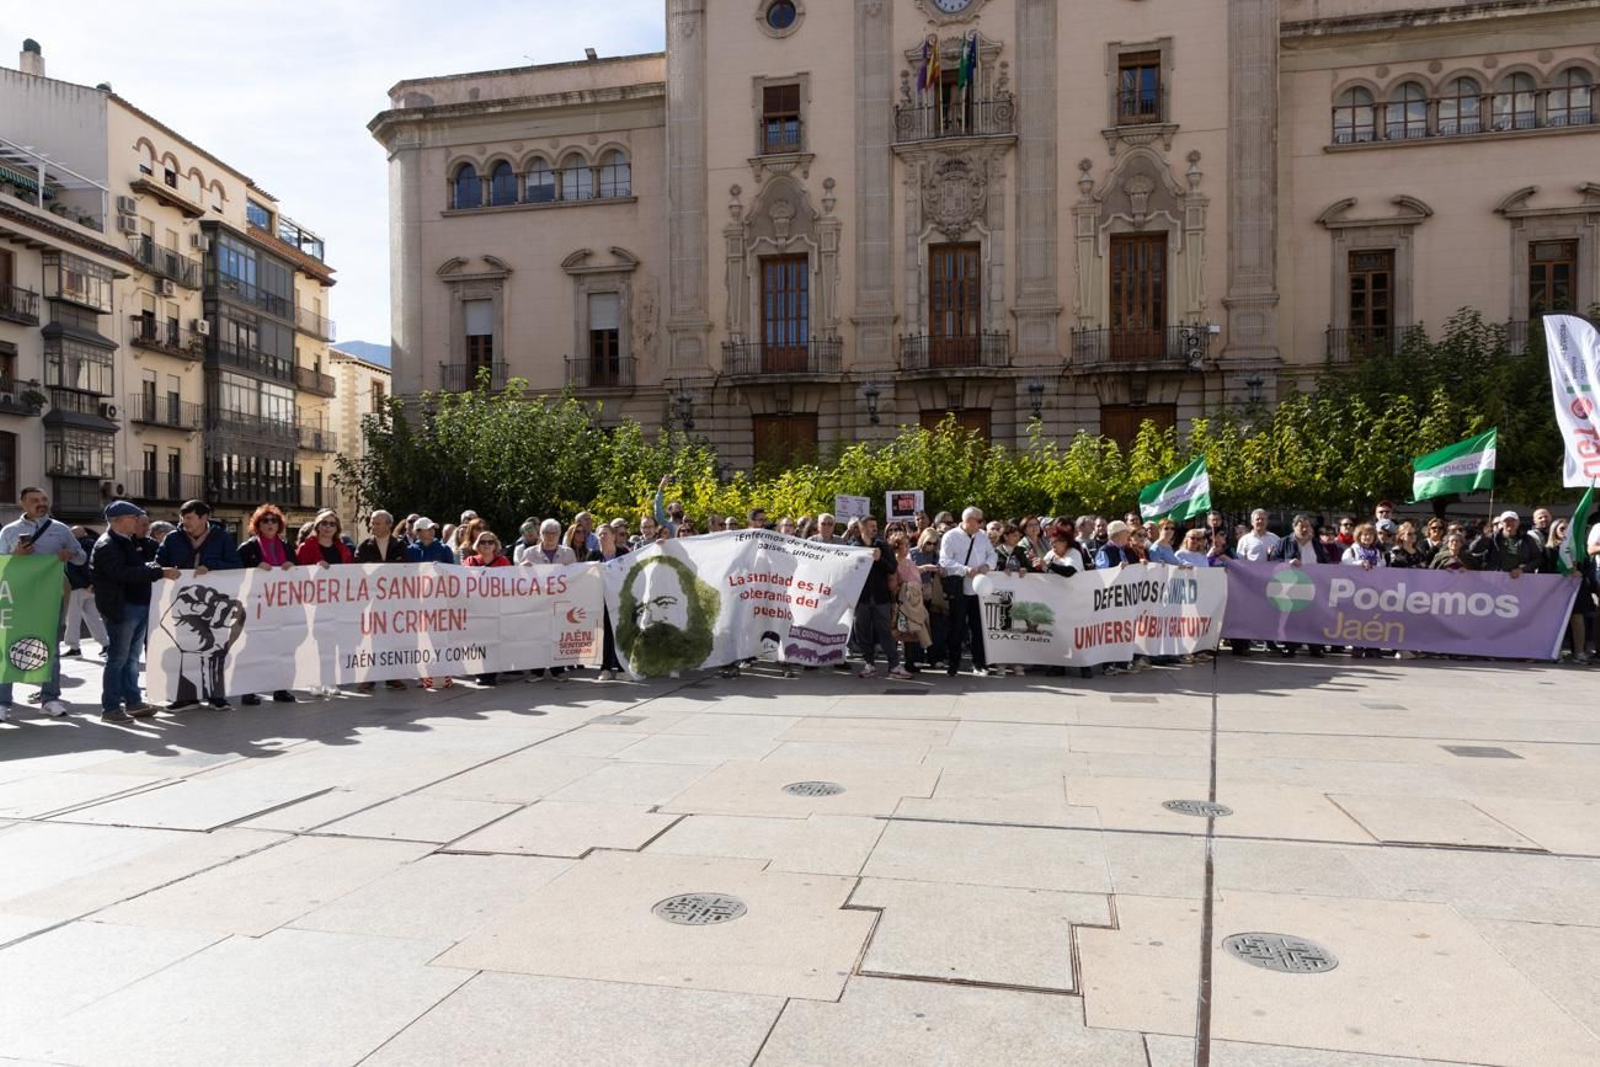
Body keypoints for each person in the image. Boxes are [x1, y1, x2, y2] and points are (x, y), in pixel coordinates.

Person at [0, 486, 86, 720]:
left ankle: (50, 698)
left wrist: (70, 554)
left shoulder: (60, 530)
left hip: (50, 597)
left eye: (44, 499)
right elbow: (1, 565)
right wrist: (16, 555)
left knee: (51, 649)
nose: (41, 503)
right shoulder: (9, 531)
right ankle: (3, 702)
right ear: (23, 504)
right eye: (35, 500)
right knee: (8, 646)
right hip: (17, 598)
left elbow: (81, 557)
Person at [91, 501, 179, 723]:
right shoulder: (107, 545)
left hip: (136, 605)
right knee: (118, 659)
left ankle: (133, 702)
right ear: (118, 521)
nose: (138, 521)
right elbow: (122, 574)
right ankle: (111, 708)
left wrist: (151, 569)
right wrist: (158, 572)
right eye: (133, 517)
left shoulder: (125, 541)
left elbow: (135, 567)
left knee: (130, 658)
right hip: (122, 607)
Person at [237, 504, 298, 706]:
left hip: (282, 607)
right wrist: (253, 568)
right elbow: (235, 574)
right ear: (258, 524)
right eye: (265, 520)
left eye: (274, 520)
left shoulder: (287, 547)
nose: (270, 524)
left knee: (281, 647)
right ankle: (248, 690)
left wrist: (292, 566)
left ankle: (280, 688)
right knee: (253, 649)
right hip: (256, 607)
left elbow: (300, 574)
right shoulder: (248, 548)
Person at [296, 510, 354, 697]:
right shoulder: (307, 547)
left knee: (332, 643)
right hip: (314, 603)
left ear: (337, 528)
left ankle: (330, 680)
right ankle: (315, 680)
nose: (328, 527)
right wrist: (315, 569)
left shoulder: (342, 548)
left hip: (337, 602)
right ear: (317, 526)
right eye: (324, 523)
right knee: (316, 643)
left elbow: (350, 571)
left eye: (332, 524)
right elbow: (298, 573)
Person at [355, 510, 409, 693]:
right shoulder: (364, 546)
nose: (373, 526)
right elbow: (357, 571)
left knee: (393, 638)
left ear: (388, 525)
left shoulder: (400, 546)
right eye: (372, 523)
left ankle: (392, 677)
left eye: (378, 523)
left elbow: (406, 569)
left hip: (395, 601)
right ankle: (370, 677)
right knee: (372, 640)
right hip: (371, 602)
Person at [940, 507, 998, 677]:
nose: (982, 524)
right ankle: (954, 663)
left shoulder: (981, 536)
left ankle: (979, 663)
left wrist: (987, 565)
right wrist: (965, 569)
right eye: (979, 521)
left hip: (979, 589)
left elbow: (992, 554)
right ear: (969, 520)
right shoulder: (950, 536)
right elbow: (944, 560)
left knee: (978, 628)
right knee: (956, 627)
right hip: (960, 588)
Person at [1271, 514, 1336, 658]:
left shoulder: (1316, 544)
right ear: (1294, 527)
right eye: (1302, 526)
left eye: (1308, 526)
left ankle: (1315, 647)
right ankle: (1290, 647)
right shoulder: (1284, 542)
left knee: (1314, 617)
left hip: (1313, 585)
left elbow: (1325, 562)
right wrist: (1288, 562)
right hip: (1291, 585)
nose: (1305, 529)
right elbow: (1273, 561)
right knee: (1292, 618)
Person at [853, 516, 902, 680]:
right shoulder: (852, 547)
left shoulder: (882, 545)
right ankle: (869, 664)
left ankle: (894, 665)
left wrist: (880, 558)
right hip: (861, 598)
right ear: (862, 528)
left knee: (885, 632)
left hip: (881, 598)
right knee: (862, 632)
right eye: (871, 526)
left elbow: (892, 568)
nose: (875, 528)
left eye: (875, 525)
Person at [462, 531, 511, 686]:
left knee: (494, 641)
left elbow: (511, 582)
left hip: (497, 608)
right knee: (477, 641)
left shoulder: (503, 561)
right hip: (476, 608)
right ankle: (481, 673)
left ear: (495, 545)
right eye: (483, 542)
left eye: (490, 542)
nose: (487, 545)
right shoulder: (470, 561)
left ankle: (491, 673)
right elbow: (461, 580)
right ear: (478, 545)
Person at [157, 499, 242, 577]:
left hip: (212, 589)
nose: (185, 522)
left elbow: (236, 566)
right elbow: (157, 565)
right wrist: (165, 571)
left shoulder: (223, 538)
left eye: (189, 518)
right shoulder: (172, 538)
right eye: (182, 518)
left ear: (203, 518)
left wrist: (210, 566)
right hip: (179, 590)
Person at [586, 523, 627, 680]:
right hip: (600, 601)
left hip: (620, 600)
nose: (602, 537)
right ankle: (606, 668)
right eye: (600, 534)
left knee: (620, 634)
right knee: (606, 635)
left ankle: (623, 668)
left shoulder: (624, 553)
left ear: (614, 536)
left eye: (606, 534)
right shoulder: (593, 556)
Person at [1342, 522, 1387, 659]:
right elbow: (1345, 563)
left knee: (1374, 619)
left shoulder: (1378, 552)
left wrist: (1375, 565)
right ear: (1359, 536)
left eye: (1371, 535)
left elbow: (1383, 566)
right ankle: (1357, 646)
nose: (1367, 538)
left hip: (1374, 590)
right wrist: (1360, 564)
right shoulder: (1351, 551)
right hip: (1356, 590)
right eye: (1365, 535)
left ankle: (1372, 646)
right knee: (1357, 619)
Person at [889, 531, 929, 676]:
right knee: (895, 633)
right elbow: (892, 584)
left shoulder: (910, 562)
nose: (907, 548)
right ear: (896, 546)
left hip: (913, 603)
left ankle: (910, 662)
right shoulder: (893, 563)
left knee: (911, 633)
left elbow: (917, 579)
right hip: (899, 603)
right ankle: (893, 663)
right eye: (904, 545)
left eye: (908, 545)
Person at [909, 527, 947, 671]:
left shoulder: (937, 555)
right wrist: (924, 568)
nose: (931, 546)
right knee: (917, 625)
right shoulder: (912, 553)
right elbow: (907, 570)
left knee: (937, 626)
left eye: (934, 543)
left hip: (934, 594)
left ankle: (936, 657)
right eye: (928, 543)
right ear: (922, 541)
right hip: (916, 593)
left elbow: (944, 570)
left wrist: (941, 570)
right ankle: (917, 657)